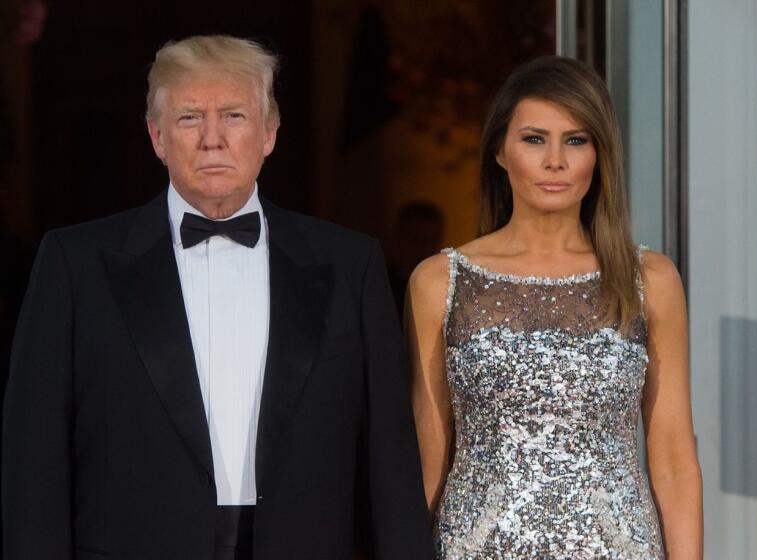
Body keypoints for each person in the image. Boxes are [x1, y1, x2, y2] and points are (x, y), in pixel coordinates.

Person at [3, 35, 434, 560]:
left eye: (233, 115)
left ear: (270, 133)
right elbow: (34, 455)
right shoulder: (74, 265)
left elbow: (389, 455)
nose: (212, 139)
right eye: (189, 118)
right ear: (156, 136)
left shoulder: (351, 266)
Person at [406, 56, 703, 558]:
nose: (555, 162)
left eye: (576, 140)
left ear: (599, 153)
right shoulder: (440, 281)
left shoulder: (650, 279)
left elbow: (673, 457)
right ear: (500, 151)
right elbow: (427, 452)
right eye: (534, 139)